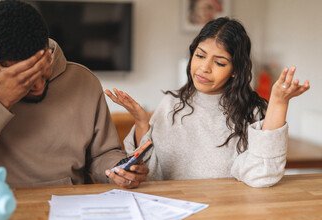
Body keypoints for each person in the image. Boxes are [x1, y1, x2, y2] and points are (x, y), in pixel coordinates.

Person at [0, 0, 150, 188]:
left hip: (71, 203)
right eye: (24, 76)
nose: (37, 85)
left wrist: (119, 169)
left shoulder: (83, 81)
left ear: (47, 51)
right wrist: (0, 100)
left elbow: (102, 155)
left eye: (42, 67)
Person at [105, 17, 310, 187]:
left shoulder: (252, 112)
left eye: (219, 62)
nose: (204, 67)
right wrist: (142, 123)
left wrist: (278, 103)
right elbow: (151, 175)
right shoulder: (171, 104)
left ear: (236, 70)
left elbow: (262, 176)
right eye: (200, 55)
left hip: (226, 216)